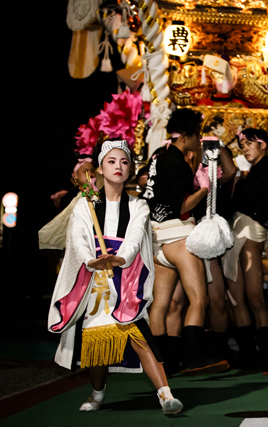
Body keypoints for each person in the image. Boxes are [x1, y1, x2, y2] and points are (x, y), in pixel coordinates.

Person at [47, 140, 182, 414]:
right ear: (99, 168)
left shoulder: (139, 206)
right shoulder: (85, 205)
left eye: (123, 161)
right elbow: (79, 239)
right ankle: (97, 393)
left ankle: (165, 394)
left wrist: (120, 258)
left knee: (139, 335)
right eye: (111, 161)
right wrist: (91, 260)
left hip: (126, 279)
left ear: (130, 168)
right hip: (94, 281)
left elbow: (134, 240)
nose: (118, 166)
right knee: (96, 344)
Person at [142, 108, 229, 375]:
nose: (199, 140)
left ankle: (163, 364)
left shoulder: (159, 157)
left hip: (157, 239)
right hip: (179, 236)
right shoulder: (178, 162)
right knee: (199, 299)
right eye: (198, 135)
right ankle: (191, 359)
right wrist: (205, 188)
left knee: (161, 304)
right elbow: (182, 207)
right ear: (188, 135)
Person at [223, 128, 268, 375]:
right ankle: (249, 357)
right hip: (237, 229)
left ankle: (267, 359)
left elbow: (249, 198)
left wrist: (238, 181)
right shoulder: (249, 172)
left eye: (249, 143)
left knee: (255, 297)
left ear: (263, 145)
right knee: (236, 297)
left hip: (252, 230)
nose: (245, 148)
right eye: (242, 145)